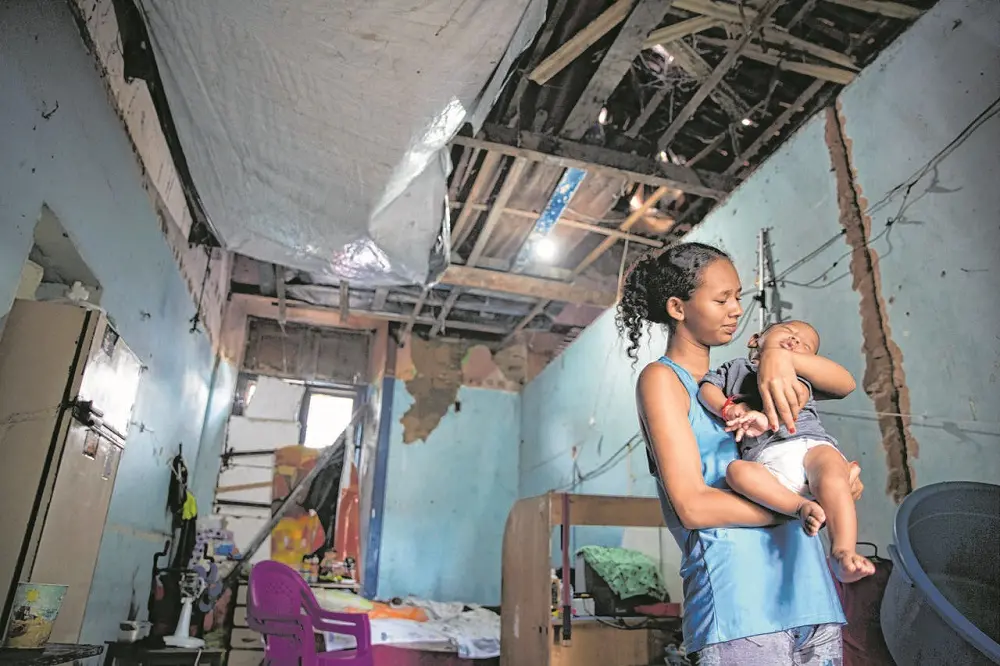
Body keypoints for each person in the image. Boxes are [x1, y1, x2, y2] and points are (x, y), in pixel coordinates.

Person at [617, 242, 864, 665]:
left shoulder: (744, 375)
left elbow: (842, 386)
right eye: (721, 299)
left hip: (809, 593)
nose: (735, 309)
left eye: (737, 297)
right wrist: (807, 505)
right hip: (740, 607)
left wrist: (776, 355)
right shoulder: (663, 380)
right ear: (677, 307)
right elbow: (693, 507)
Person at [698, 320, 876, 584]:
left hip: (812, 445)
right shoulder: (735, 368)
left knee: (832, 473)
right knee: (737, 472)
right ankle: (801, 507)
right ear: (755, 339)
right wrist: (728, 408)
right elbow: (707, 389)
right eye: (789, 332)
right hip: (769, 461)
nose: (795, 341)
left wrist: (766, 416)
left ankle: (842, 551)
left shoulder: (795, 374)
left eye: (806, 346)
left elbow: (804, 394)